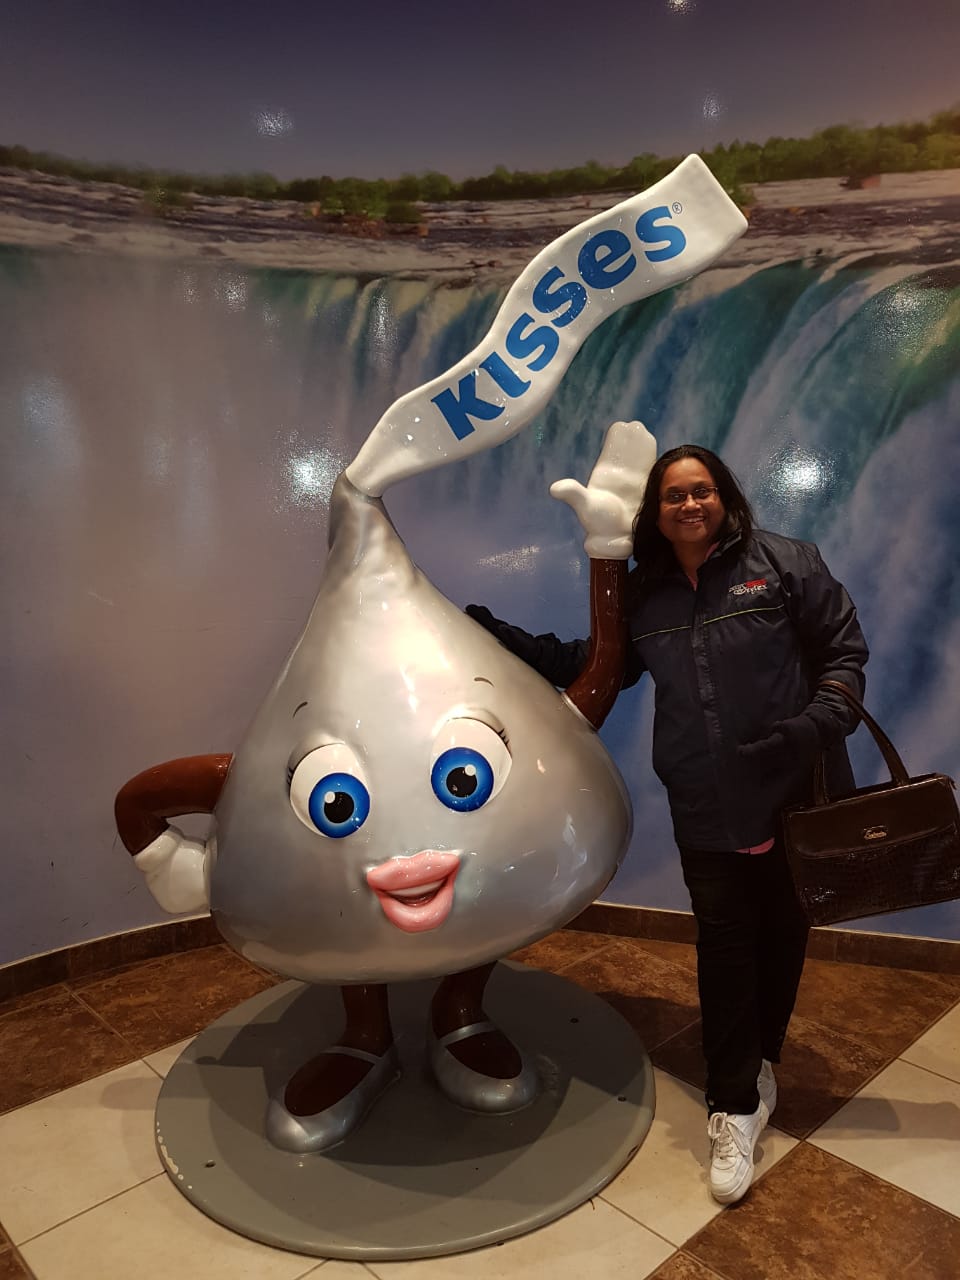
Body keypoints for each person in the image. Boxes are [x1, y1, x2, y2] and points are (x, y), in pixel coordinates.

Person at [467, 443, 868, 1205]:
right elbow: (595, 662)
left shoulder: (786, 563)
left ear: (724, 497)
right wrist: (501, 638)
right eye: (674, 495)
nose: (689, 504)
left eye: (701, 490)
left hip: (796, 790)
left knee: (784, 933)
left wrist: (810, 729)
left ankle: (761, 1062)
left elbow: (844, 656)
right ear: (655, 512)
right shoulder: (646, 594)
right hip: (703, 799)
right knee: (724, 946)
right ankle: (733, 1104)